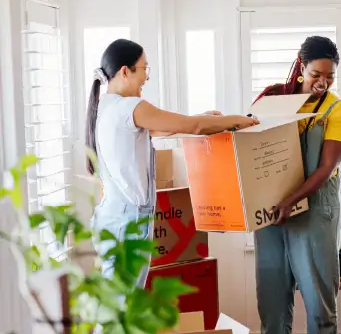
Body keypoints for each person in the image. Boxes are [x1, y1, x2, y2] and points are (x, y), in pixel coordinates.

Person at [86, 39, 258, 289]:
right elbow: (193, 127)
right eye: (145, 69)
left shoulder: (106, 107)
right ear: (125, 71)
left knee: (118, 305)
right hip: (128, 220)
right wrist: (236, 120)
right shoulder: (130, 107)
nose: (146, 77)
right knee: (122, 310)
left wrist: (203, 118)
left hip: (113, 216)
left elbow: (163, 129)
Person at [253, 36, 341, 334]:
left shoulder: (337, 111)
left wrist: (291, 200)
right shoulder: (274, 100)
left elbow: (326, 168)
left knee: (319, 305)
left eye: (330, 77)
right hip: (271, 211)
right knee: (271, 302)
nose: (322, 83)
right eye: (316, 75)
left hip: (314, 211)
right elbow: (250, 147)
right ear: (300, 65)